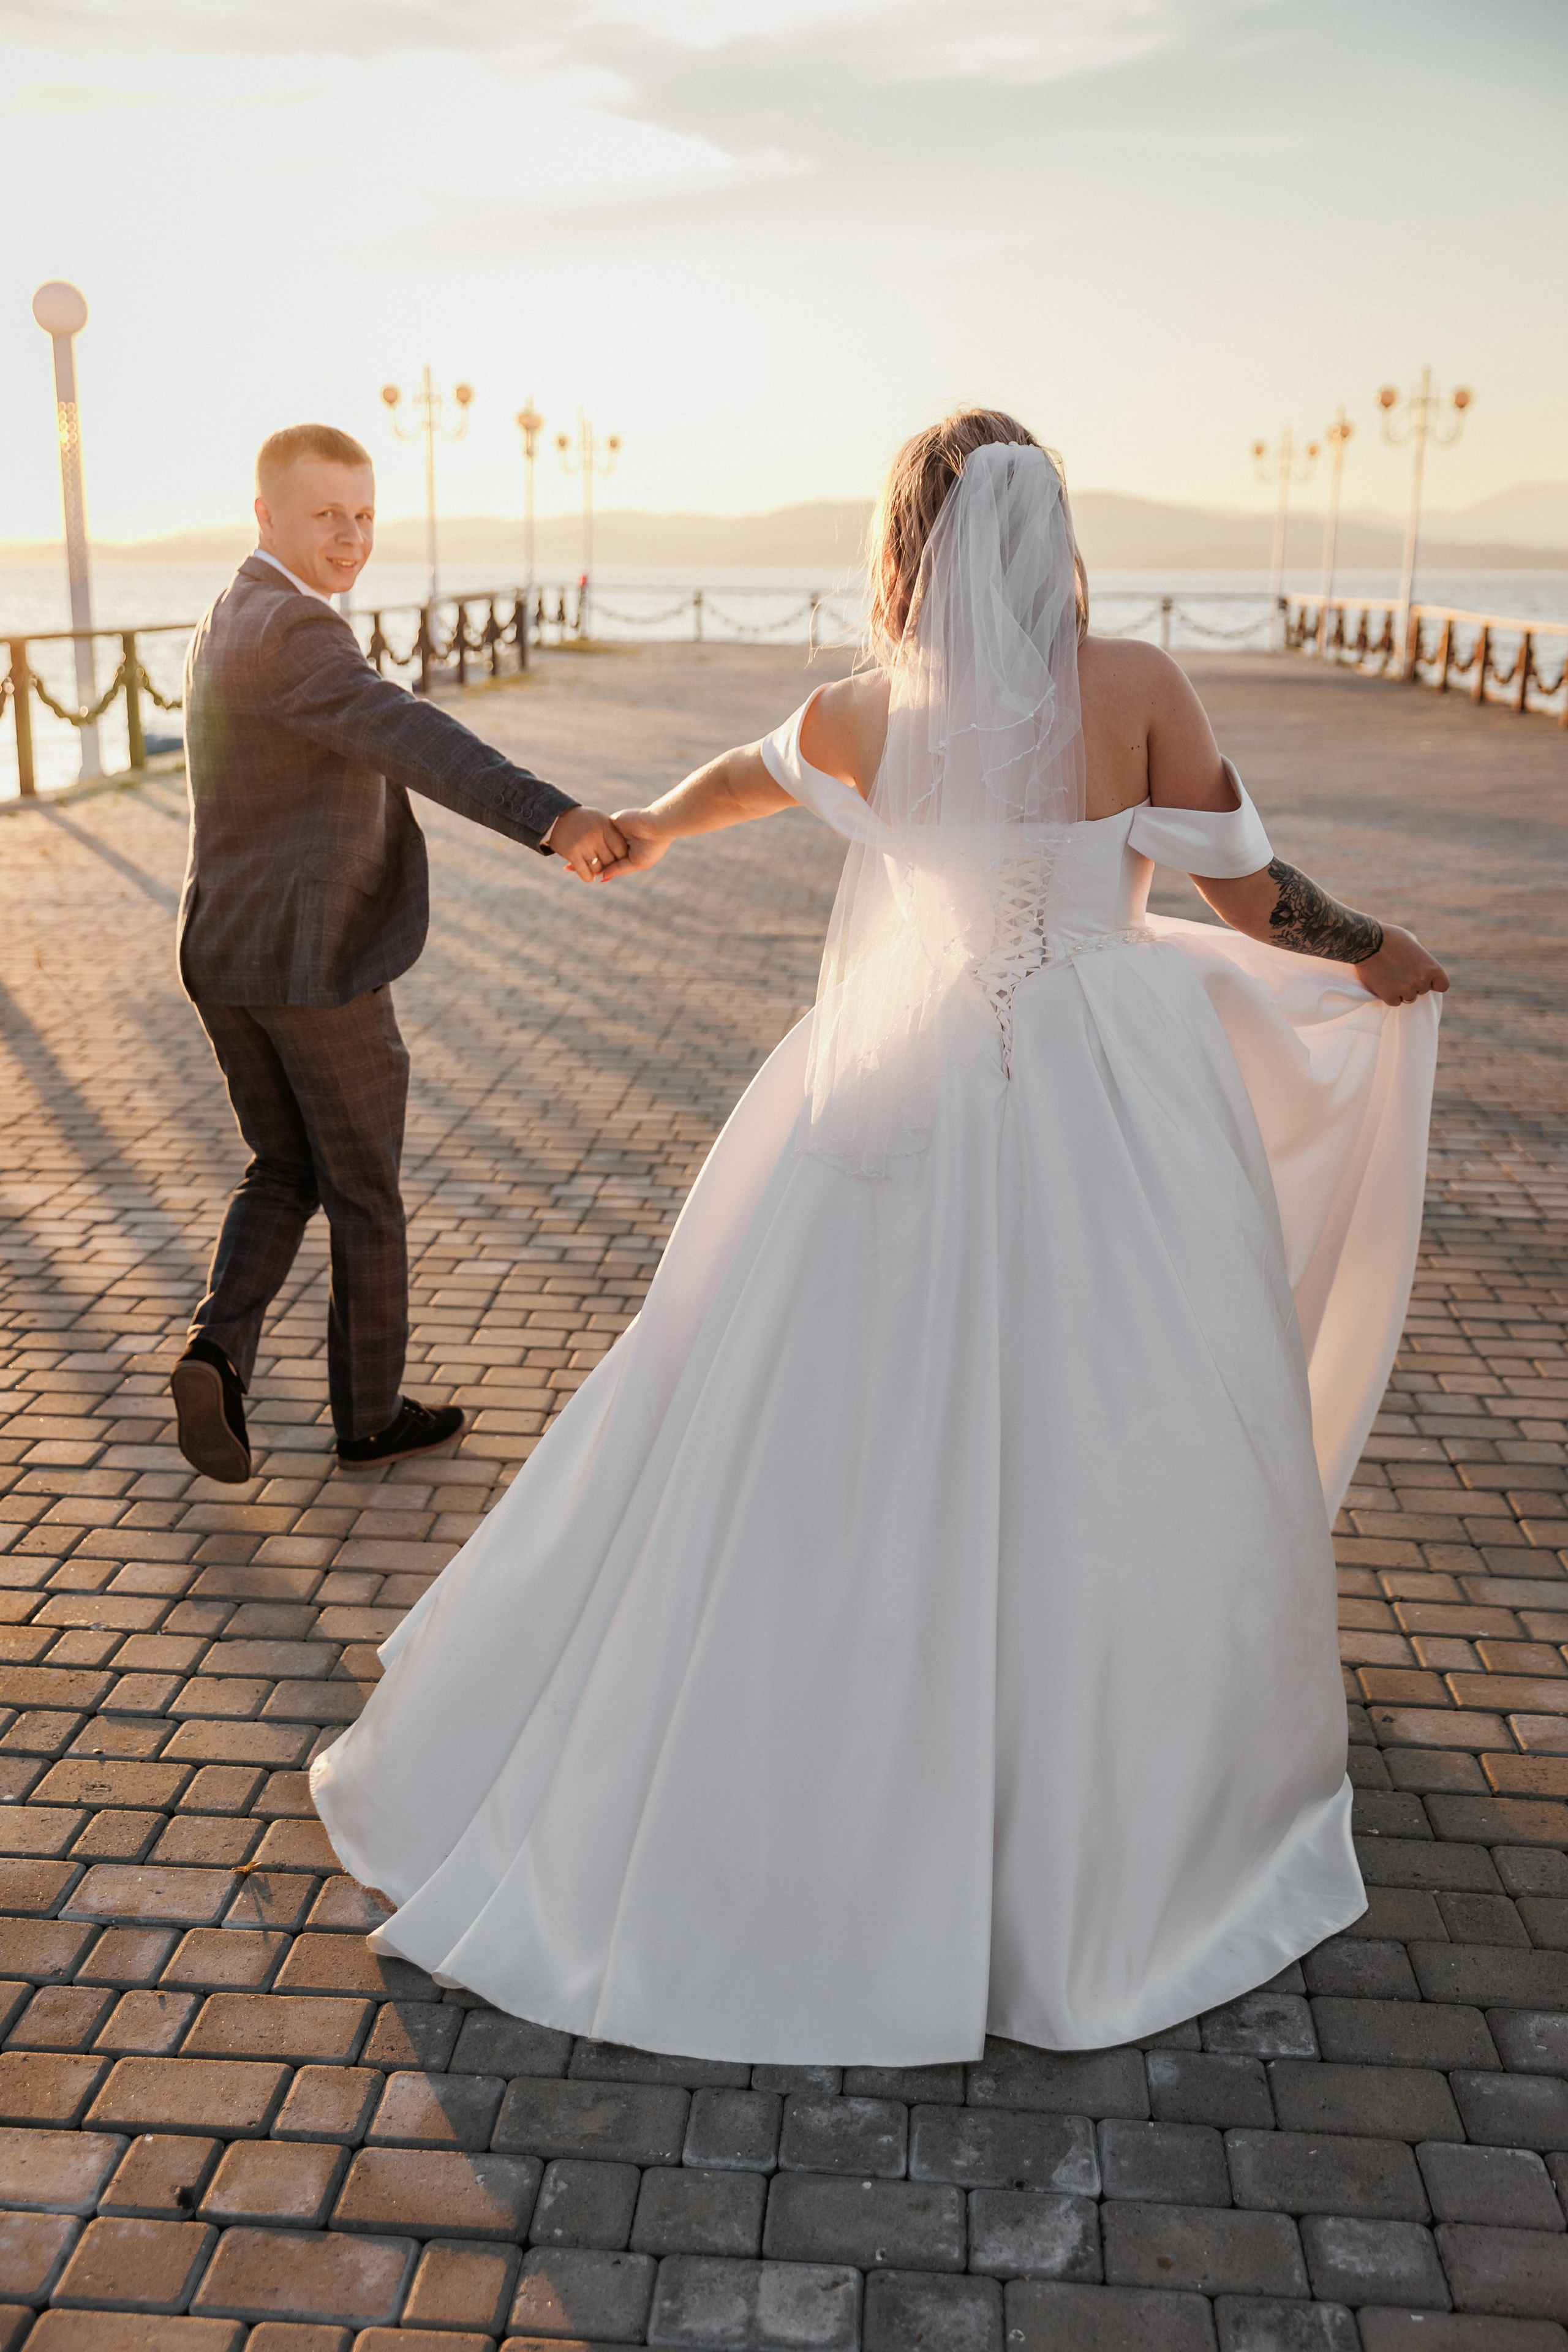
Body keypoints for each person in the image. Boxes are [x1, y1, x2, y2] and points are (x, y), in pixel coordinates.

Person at [312, 410, 1446, 2065]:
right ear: (1049, 529)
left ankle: (851, 1746)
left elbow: (745, 778)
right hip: (1105, 1086)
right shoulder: (1130, 683)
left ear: (905, 544)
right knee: (1118, 1413)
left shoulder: (867, 707)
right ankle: (1107, 1788)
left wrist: (632, 825)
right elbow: (1254, 898)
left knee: (835, 1411)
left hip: (901, 1082)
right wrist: (1379, 951)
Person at [172, 423, 628, 1487]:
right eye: (328, 514)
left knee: (283, 1169)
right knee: (366, 1191)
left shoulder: (226, 616)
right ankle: (369, 1417)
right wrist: (551, 817)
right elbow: (413, 733)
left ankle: (215, 1352)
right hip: (310, 961)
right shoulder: (296, 631)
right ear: (268, 515)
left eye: (366, 514)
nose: (352, 536)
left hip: (221, 948)